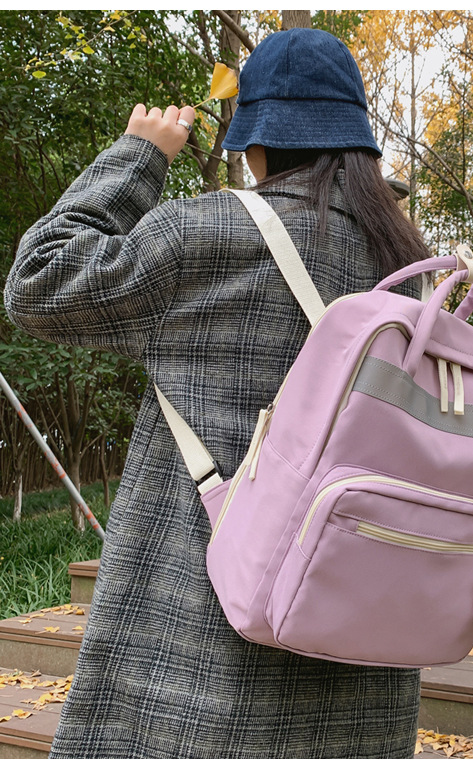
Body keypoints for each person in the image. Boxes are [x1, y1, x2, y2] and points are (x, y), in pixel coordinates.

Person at [4, 28, 430, 759]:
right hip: (360, 634)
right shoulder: (406, 263)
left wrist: (140, 155)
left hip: (199, 643)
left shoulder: (208, 234)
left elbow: (39, 281)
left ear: (253, 143)